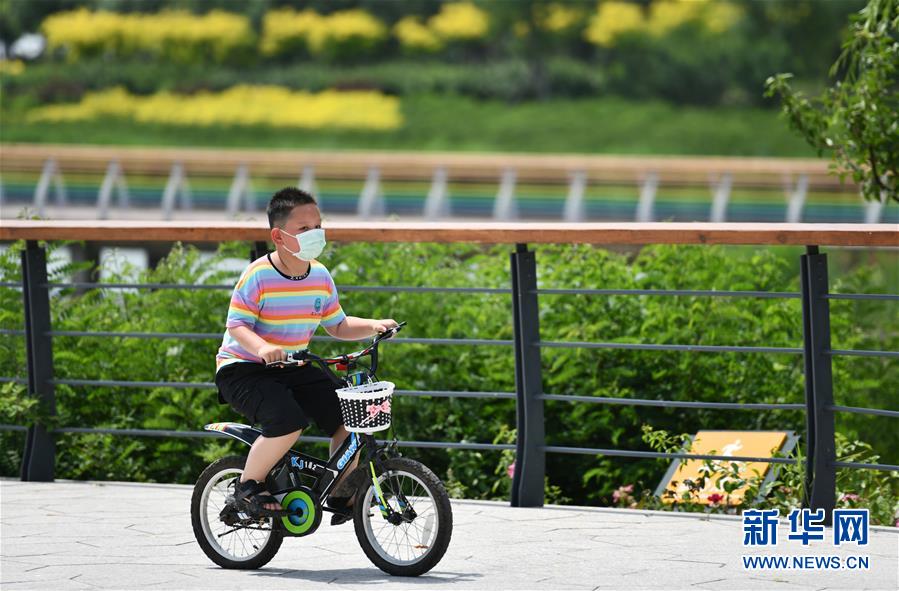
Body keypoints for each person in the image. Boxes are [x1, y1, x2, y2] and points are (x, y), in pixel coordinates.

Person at [214, 187, 397, 525]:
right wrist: (262, 348)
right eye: (304, 229)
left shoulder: (320, 276)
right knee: (287, 421)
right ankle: (248, 485)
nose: (315, 234)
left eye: (318, 226)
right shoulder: (259, 275)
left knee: (349, 418)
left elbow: (338, 325)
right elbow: (237, 325)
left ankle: (342, 492)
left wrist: (373, 325)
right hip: (244, 369)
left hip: (293, 366)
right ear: (278, 236)